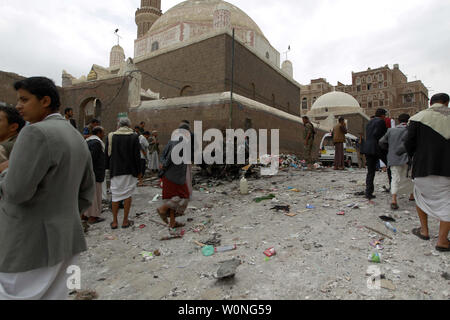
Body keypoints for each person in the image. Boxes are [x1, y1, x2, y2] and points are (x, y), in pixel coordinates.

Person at [0, 77, 95, 300]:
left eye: (24, 99)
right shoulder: (77, 136)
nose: (18, 106)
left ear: (45, 101)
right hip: (65, 241)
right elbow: (86, 192)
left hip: (28, 245)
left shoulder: (34, 133)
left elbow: (16, 192)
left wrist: (5, 173)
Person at [404, 93, 450, 252]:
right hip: (446, 169)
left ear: (430, 103)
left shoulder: (418, 118)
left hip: (422, 168)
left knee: (420, 196)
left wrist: (416, 157)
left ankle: (424, 231)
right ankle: (443, 240)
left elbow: (408, 144)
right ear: (446, 102)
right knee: (447, 203)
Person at [106, 118, 141, 229]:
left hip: (116, 169)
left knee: (115, 195)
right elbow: (137, 156)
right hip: (129, 170)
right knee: (127, 195)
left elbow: (107, 154)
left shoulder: (111, 136)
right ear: (129, 125)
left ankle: (115, 221)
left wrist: (108, 168)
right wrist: (139, 171)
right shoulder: (134, 136)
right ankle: (125, 221)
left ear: (119, 125)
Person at [157, 124, 190, 229]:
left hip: (168, 175)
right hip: (175, 175)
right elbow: (171, 156)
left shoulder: (171, 141)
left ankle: (172, 222)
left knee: (173, 198)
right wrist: (165, 165)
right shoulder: (181, 141)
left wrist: (163, 165)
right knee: (184, 196)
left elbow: (162, 155)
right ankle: (163, 208)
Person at [379, 113, 414, 210]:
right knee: (410, 177)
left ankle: (394, 199)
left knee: (395, 178)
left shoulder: (391, 130)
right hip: (408, 159)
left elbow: (381, 142)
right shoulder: (411, 130)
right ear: (408, 121)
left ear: (398, 120)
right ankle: (412, 195)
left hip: (393, 158)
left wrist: (389, 149)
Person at [359, 108, 388, 199]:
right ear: (383, 115)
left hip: (368, 148)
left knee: (370, 172)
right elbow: (379, 134)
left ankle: (368, 192)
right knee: (390, 166)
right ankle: (393, 187)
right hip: (377, 148)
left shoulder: (369, 122)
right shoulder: (381, 122)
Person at [83, 126, 107, 224]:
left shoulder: (87, 141)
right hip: (95, 173)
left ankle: (85, 214)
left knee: (88, 194)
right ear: (98, 133)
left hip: (88, 173)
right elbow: (92, 159)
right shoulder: (96, 143)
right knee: (95, 195)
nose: (104, 134)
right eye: (102, 132)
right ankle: (93, 216)